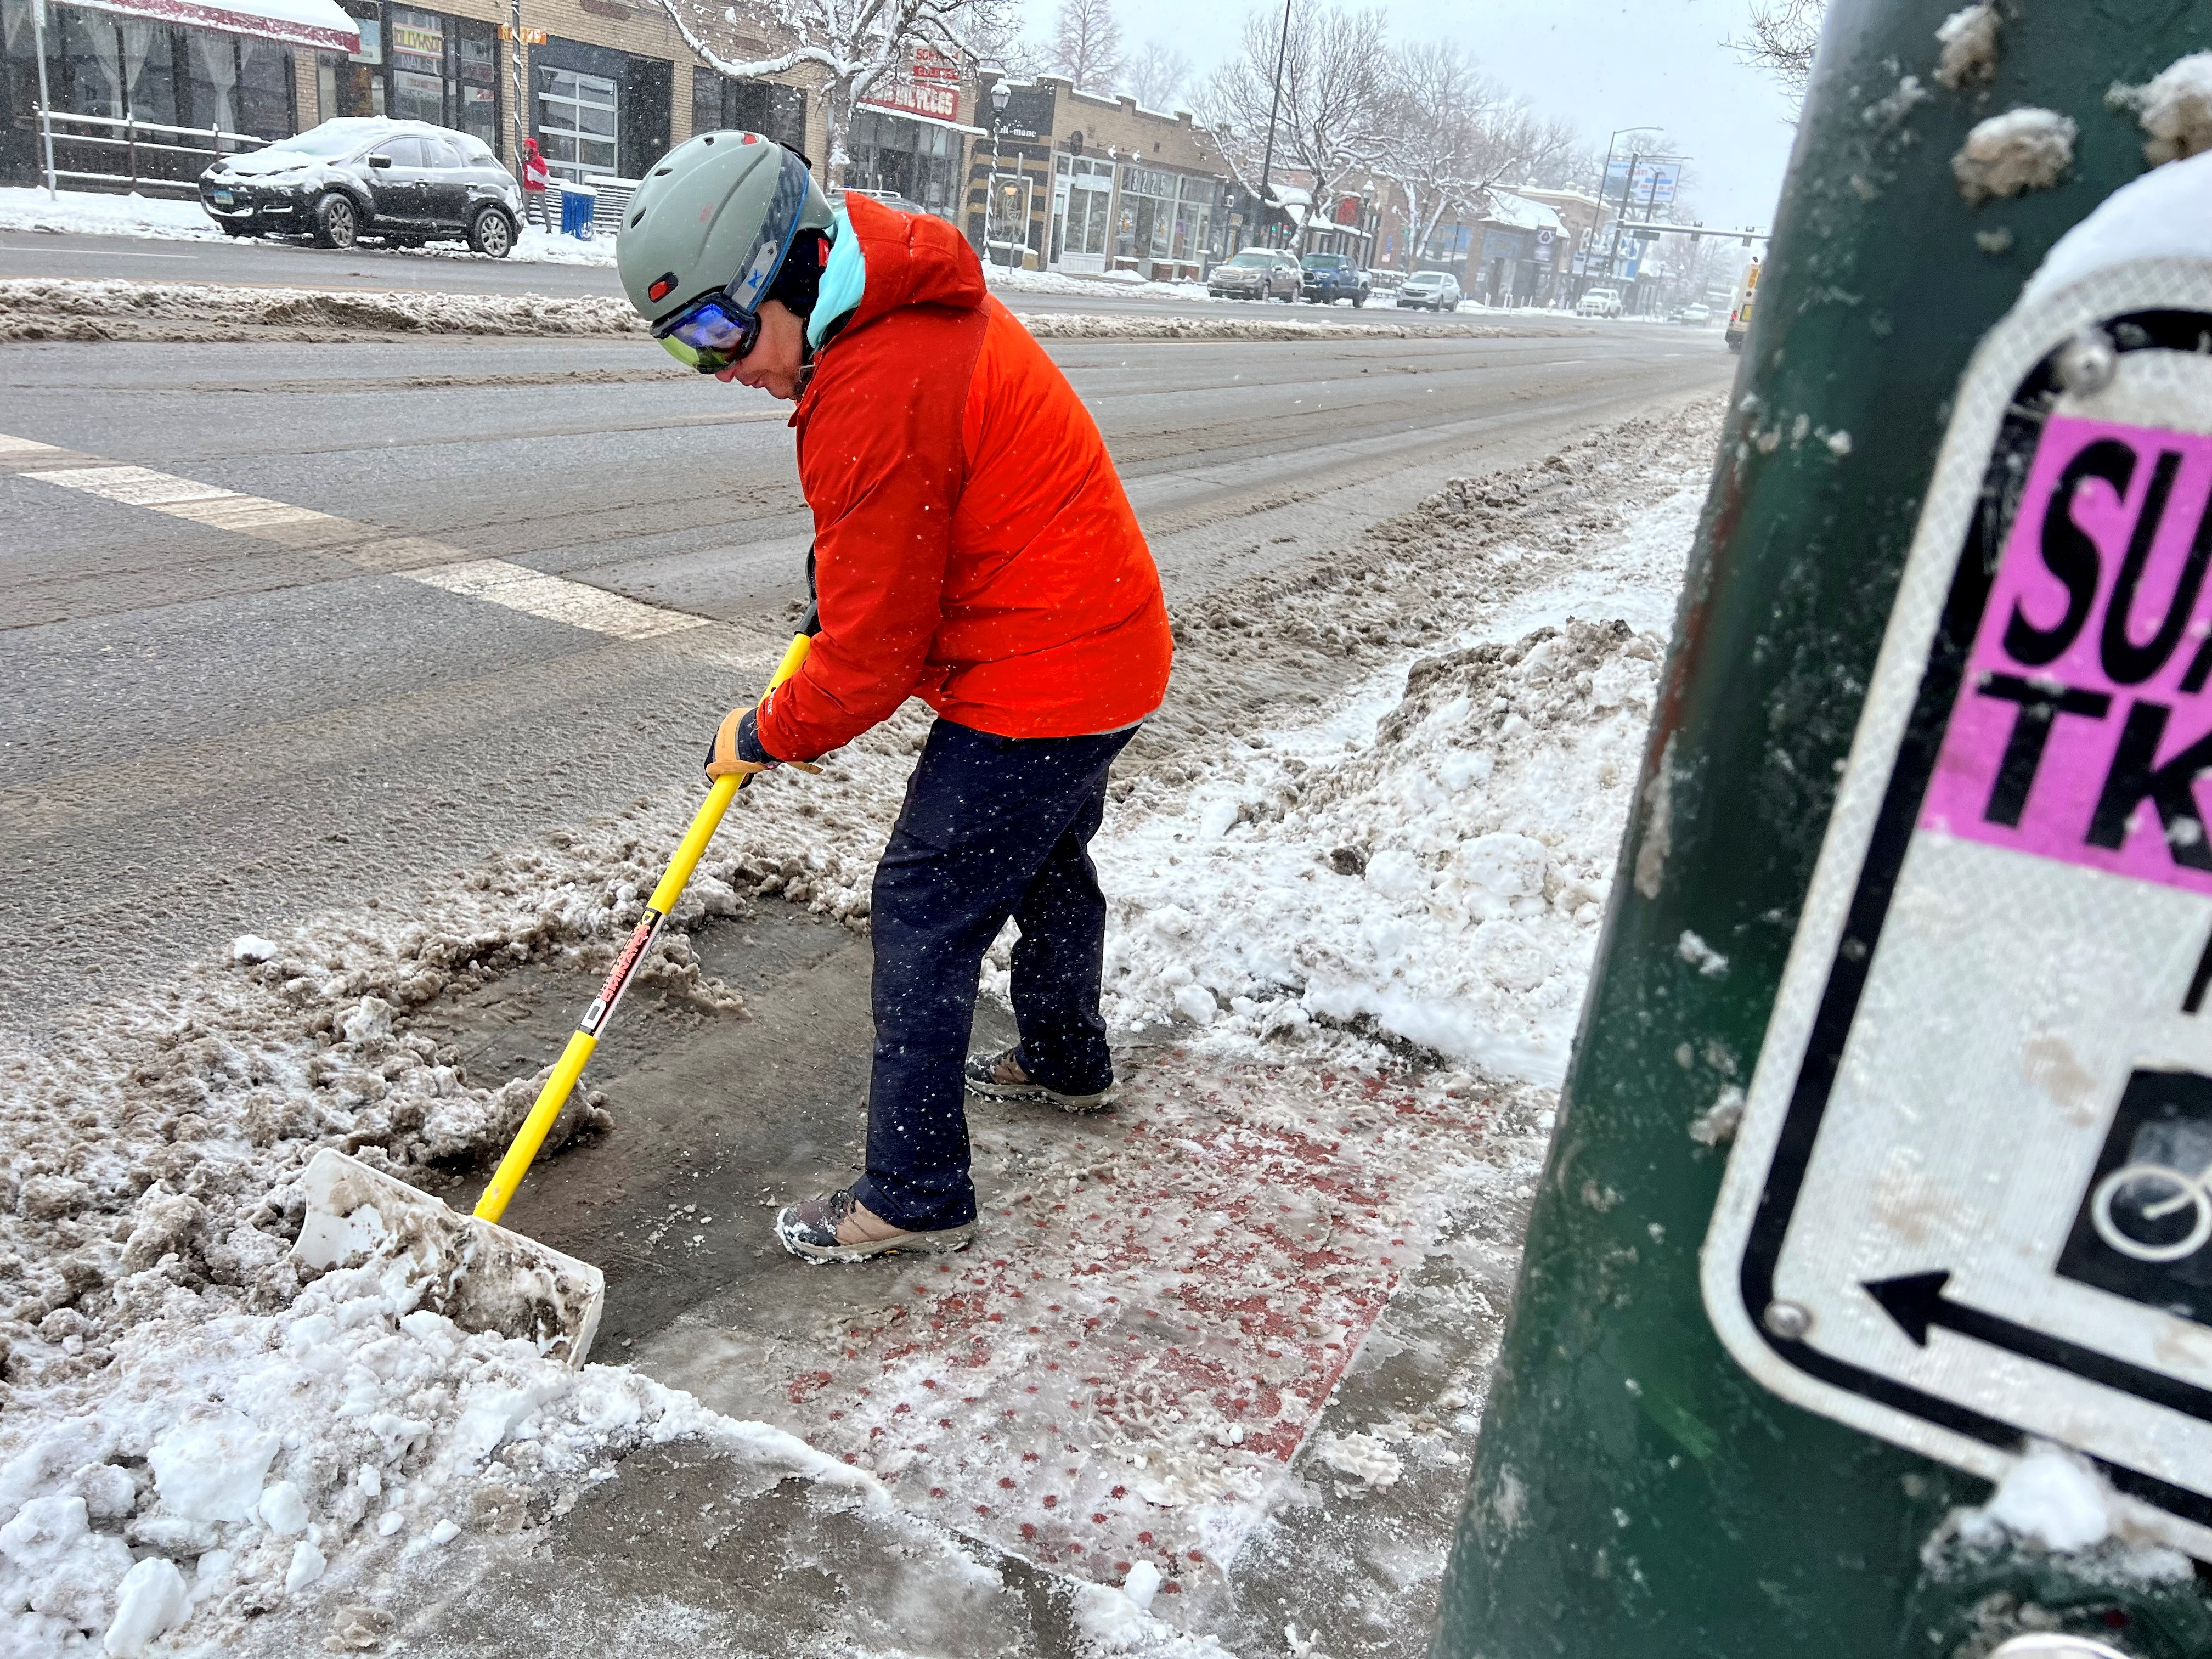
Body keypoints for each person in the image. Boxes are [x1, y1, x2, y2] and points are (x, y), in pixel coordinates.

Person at [615, 133, 1172, 1263]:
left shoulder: (874, 382)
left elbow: (869, 661)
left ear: (794, 267)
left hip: (1045, 675)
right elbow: (908, 540)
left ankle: (915, 1193)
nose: (723, 370)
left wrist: (763, 732)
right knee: (1048, 859)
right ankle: (1067, 1060)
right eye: (687, 352)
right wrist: (843, 592)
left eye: (723, 332)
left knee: (924, 908)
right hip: (1107, 647)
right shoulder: (890, 299)